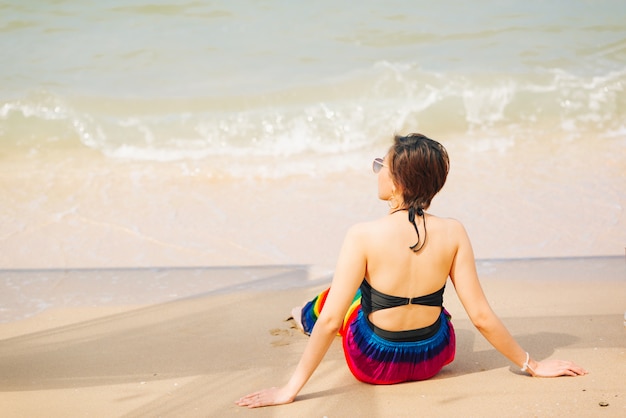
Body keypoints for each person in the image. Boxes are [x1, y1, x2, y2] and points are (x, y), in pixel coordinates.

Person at [236, 133, 587, 408]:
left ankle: (303, 314)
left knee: (341, 298)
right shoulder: (455, 231)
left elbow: (332, 322)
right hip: (433, 357)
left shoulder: (362, 234)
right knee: (430, 302)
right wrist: (534, 365)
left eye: (381, 166)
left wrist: (289, 389)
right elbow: (480, 316)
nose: (377, 173)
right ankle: (311, 312)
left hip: (373, 365)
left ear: (398, 181)